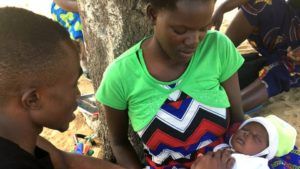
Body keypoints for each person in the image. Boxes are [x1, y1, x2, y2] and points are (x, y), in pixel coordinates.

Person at [96, 0, 246, 168]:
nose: (194, 41)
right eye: (180, 31)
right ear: (153, 15)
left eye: (203, 28)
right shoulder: (120, 76)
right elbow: (119, 144)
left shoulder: (217, 48)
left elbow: (238, 121)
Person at [0, 7, 123, 169]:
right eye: (74, 85)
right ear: (33, 99)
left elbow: (63, 160)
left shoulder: (14, 133)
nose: (78, 95)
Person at [212, 0, 300, 112]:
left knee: (283, 68)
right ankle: (215, 57)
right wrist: (223, 8)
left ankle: (226, 111)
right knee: (261, 3)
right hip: (286, 29)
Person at [213, 115, 297, 169]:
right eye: (244, 129)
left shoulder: (258, 164)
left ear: (264, 153)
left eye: (256, 138)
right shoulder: (221, 146)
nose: (246, 134)